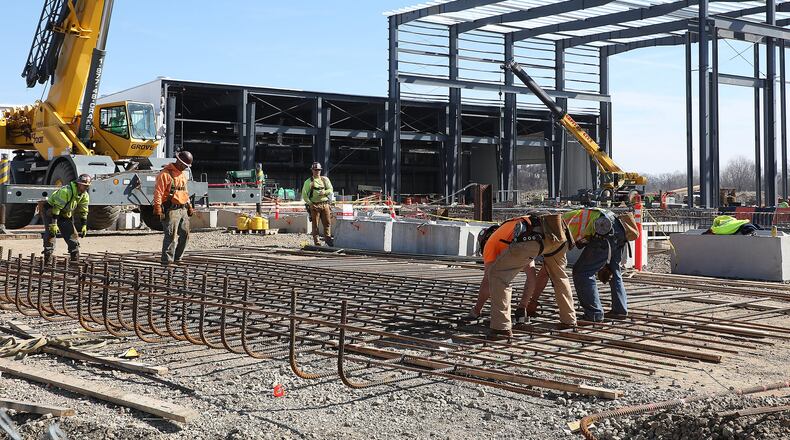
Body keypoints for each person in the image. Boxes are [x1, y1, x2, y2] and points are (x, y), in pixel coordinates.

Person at [467, 213, 571, 340]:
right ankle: (569, 320)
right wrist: (522, 306)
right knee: (560, 277)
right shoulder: (508, 231)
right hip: (558, 233)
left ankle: (501, 328)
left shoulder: (491, 243)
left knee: (497, 275)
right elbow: (531, 276)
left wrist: (476, 310)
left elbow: (487, 281)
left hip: (533, 237)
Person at [566, 208, 628, 323]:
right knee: (614, 271)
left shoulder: (562, 224)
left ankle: (594, 314)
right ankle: (620, 311)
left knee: (582, 272)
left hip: (605, 233)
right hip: (618, 230)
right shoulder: (574, 216)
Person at [153, 150, 194, 266]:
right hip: (171, 210)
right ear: (179, 162)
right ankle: (167, 261)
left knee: (185, 234)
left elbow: (185, 192)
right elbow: (158, 193)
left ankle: (178, 258)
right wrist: (157, 208)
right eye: (185, 165)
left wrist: (189, 206)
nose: (185, 168)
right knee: (171, 235)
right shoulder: (165, 174)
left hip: (183, 209)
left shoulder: (182, 175)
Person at [42, 174, 91, 264]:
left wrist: (84, 225)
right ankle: (47, 259)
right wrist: (54, 224)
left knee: (73, 235)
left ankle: (74, 259)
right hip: (51, 211)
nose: (86, 187)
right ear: (79, 184)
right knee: (51, 235)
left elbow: (83, 211)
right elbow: (56, 209)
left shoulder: (84, 196)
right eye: (84, 185)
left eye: (87, 186)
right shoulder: (66, 191)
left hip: (64, 214)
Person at [302, 162, 334, 246]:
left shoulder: (325, 180)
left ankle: (328, 241)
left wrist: (324, 192)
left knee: (327, 223)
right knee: (315, 225)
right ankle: (317, 242)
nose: (317, 171)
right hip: (314, 205)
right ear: (312, 170)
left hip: (325, 204)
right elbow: (304, 195)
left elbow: (330, 189)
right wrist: (310, 204)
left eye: (318, 170)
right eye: (315, 170)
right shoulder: (308, 182)